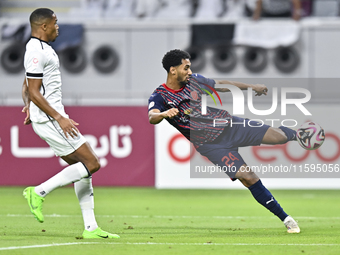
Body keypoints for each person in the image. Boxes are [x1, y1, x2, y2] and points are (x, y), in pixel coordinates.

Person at [148, 49, 300, 233]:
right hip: (211, 146)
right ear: (173, 70)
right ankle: (287, 219)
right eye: (186, 67)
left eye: (190, 67)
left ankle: (300, 135)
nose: (189, 71)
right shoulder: (160, 96)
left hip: (228, 125)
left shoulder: (194, 81)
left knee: (279, 137)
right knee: (248, 177)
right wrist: (164, 113)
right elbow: (152, 116)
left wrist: (252, 87)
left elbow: (221, 84)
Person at [21, 8, 120, 239]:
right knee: (92, 163)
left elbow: (27, 85)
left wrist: (27, 105)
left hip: (48, 115)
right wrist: (58, 117)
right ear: (43, 26)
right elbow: (34, 90)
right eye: (55, 23)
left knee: (82, 171)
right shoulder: (36, 50)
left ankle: (90, 228)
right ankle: (38, 192)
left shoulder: (41, 49)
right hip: (51, 118)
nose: (58, 27)